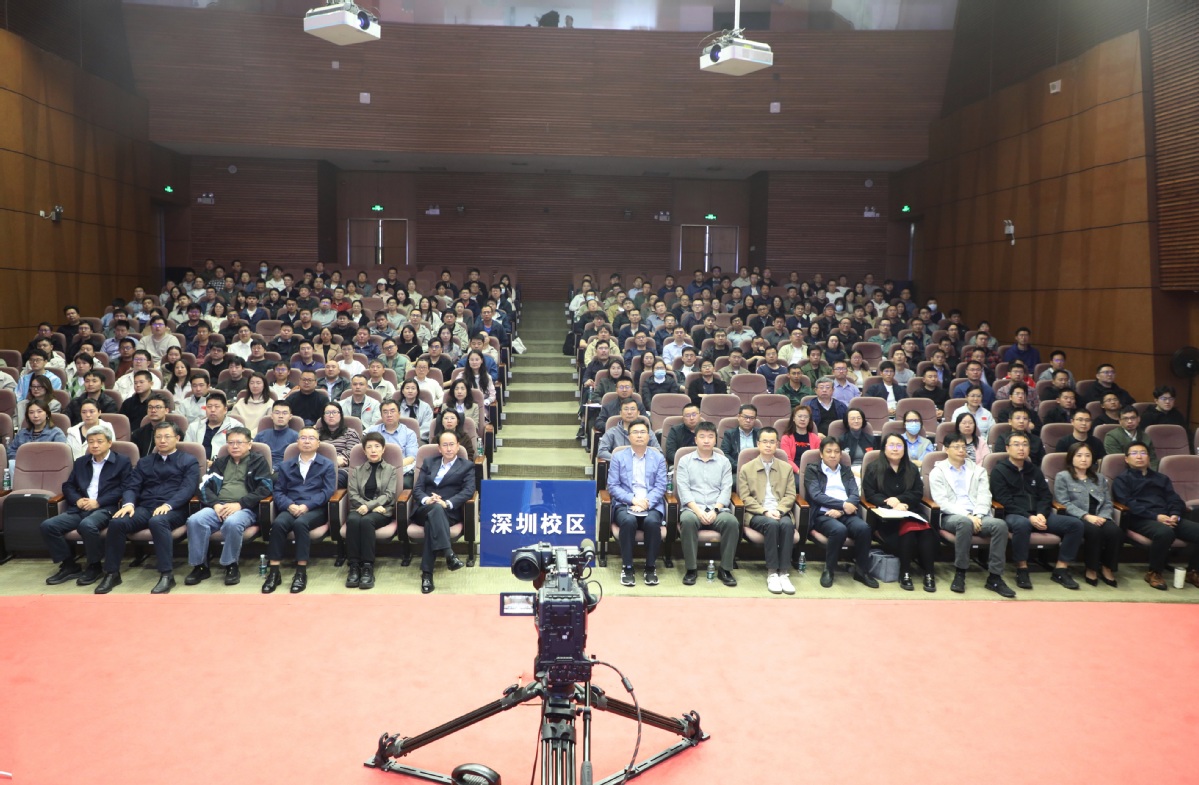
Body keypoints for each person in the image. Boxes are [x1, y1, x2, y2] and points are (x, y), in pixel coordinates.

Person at [95, 421, 200, 595]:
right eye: (158, 437)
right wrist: (129, 504)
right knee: (117, 522)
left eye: (167, 436)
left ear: (177, 438)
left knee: (158, 522)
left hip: (174, 508)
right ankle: (112, 573)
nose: (162, 440)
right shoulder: (145, 462)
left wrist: (168, 505)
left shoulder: (188, 461)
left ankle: (167, 574)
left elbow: (187, 489)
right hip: (146, 506)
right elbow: (131, 486)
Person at [38, 425, 133, 587]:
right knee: (48, 526)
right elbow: (68, 486)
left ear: (109, 443)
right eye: (91, 442)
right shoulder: (81, 462)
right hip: (80, 508)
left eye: (99, 441)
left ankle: (94, 566)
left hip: (106, 507)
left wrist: (99, 501)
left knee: (87, 525)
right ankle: (69, 565)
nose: (94, 445)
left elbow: (125, 487)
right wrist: (77, 500)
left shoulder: (122, 461)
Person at [989, 432, 1083, 590]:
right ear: (1007, 448)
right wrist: (1029, 517)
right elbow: (1004, 500)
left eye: (1025, 445)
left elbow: (1045, 496)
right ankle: (1022, 568)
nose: (1021, 448)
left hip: (1039, 514)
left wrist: (1040, 514)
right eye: (1016, 444)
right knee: (1022, 524)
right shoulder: (999, 471)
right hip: (1014, 514)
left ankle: (1061, 569)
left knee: (1075, 525)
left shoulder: (1034, 470)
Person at [184, 425, 272, 587]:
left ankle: (231, 565)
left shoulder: (258, 461)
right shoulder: (221, 462)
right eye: (231, 443)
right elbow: (203, 487)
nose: (235, 446)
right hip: (219, 506)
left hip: (245, 508)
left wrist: (240, 504)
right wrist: (216, 504)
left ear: (249, 444)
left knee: (232, 523)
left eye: (239, 442)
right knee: (194, 520)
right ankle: (200, 566)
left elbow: (265, 487)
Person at [927, 434, 1014, 597]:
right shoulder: (937, 472)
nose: (961, 450)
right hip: (951, 516)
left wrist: (978, 515)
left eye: (963, 447)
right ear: (946, 449)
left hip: (978, 515)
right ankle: (960, 572)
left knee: (1000, 525)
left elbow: (985, 496)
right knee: (964, 523)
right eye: (956, 447)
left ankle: (995, 577)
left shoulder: (978, 470)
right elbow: (942, 502)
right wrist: (968, 515)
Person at [1113, 440, 1199, 591]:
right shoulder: (1122, 480)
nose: (1139, 456)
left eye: (1143, 453)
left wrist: (1174, 515)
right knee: (1165, 532)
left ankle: (1193, 572)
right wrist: (1156, 517)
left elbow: (1174, 499)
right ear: (1126, 459)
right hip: (1141, 519)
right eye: (1134, 453)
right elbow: (1130, 505)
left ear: (1149, 457)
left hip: (1167, 517)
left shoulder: (1161, 478)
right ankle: (1154, 572)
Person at [261, 427, 336, 594]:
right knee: (278, 524)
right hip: (291, 506)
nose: (307, 441)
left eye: (311, 438)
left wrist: (307, 506)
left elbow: (328, 491)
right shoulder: (286, 465)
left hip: (315, 509)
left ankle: (301, 572)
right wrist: (289, 505)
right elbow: (278, 491)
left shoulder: (326, 465)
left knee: (301, 524)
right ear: (297, 442)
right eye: (303, 438)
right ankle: (274, 572)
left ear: (318, 443)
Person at [862, 433, 936, 591]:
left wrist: (900, 501)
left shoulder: (911, 468)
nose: (895, 449)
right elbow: (870, 494)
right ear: (884, 448)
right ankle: (905, 572)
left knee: (927, 531)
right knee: (908, 532)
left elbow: (917, 493)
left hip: (910, 512)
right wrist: (890, 503)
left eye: (899, 445)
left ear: (904, 449)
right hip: (887, 519)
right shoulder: (874, 468)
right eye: (891, 445)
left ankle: (929, 574)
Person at [674, 421, 738, 587]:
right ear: (695, 439)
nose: (706, 440)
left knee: (731, 522)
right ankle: (691, 569)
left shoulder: (724, 462)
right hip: (692, 509)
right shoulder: (685, 461)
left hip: (717, 509)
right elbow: (684, 490)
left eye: (710, 436)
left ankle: (725, 569)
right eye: (702, 436)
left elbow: (726, 490)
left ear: (715, 440)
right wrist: (698, 511)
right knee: (687, 520)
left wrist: (715, 510)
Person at [805, 440, 876, 589]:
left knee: (864, 528)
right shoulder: (812, 470)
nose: (833, 455)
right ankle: (829, 570)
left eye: (837, 452)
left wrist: (842, 510)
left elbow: (855, 494)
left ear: (841, 454)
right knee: (839, 530)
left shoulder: (846, 470)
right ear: (821, 454)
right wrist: (843, 505)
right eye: (829, 451)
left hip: (845, 513)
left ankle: (861, 571)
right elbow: (816, 495)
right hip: (823, 513)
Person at [735, 426, 797, 594]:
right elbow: (745, 497)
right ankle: (772, 572)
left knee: (787, 525)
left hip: (780, 511)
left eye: (772, 442)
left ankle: (784, 572)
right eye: (765, 441)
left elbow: (791, 495)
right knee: (772, 524)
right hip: (757, 513)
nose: (768, 445)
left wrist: (780, 510)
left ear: (777, 444)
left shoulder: (786, 468)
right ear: (758, 444)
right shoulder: (747, 468)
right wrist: (764, 511)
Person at [606, 418, 667, 588]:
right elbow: (613, 486)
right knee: (628, 521)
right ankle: (627, 567)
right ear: (628, 436)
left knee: (652, 522)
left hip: (651, 503)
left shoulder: (658, 458)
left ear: (649, 436)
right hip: (626, 503)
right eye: (635, 432)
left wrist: (646, 502)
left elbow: (661, 486)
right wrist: (633, 500)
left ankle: (650, 567)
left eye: (643, 432)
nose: (639, 436)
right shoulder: (618, 457)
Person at [412, 430, 474, 594]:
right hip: (425, 508)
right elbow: (417, 489)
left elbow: (468, 491)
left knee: (431, 524)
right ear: (439, 448)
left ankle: (427, 575)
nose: (448, 448)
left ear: (458, 446)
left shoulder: (466, 466)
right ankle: (449, 553)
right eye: (445, 445)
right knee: (434, 510)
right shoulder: (429, 462)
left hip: (448, 511)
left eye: (452, 444)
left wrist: (446, 503)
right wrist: (427, 499)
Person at [1053, 442, 1121, 588]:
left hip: (1100, 516)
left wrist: (1104, 517)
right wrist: (1086, 516)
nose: (1083, 459)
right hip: (1077, 518)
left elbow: (1107, 502)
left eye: (1087, 455)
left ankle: (1107, 568)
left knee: (1114, 531)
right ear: (1071, 458)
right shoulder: (1063, 477)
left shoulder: (1099, 478)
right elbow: (1064, 502)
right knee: (1094, 531)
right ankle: (1091, 568)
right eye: (1079, 455)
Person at [343, 432, 399, 590]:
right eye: (369, 447)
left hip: (382, 511)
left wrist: (370, 506)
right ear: (364, 451)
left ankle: (367, 566)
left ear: (383, 449)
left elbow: (389, 494)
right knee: (352, 520)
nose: (373, 450)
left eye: (377, 446)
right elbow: (353, 494)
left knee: (367, 521)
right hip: (359, 508)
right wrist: (367, 506)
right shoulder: (357, 470)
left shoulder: (391, 470)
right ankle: (354, 566)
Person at [366, 400, 419, 487]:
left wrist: (391, 469)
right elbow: (366, 451)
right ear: (381, 415)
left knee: (404, 484)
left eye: (392, 411)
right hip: (376, 469)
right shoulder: (372, 431)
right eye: (385, 412)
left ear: (399, 414)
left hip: (401, 470)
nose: (389, 415)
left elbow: (411, 457)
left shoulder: (409, 433)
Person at [184, 391, 238, 465]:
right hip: (196, 465)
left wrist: (216, 464)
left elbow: (238, 452)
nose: (212, 410)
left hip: (224, 466)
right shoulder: (194, 426)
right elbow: (186, 451)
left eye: (217, 407)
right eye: (209, 407)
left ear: (225, 410)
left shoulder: (235, 426)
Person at [318, 400, 361, 487]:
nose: (331, 415)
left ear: (340, 415)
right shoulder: (316, 434)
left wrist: (338, 462)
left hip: (343, 469)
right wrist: (333, 461)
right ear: (323, 416)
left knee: (331, 480)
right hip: (320, 467)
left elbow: (352, 454)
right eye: (327, 413)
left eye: (334, 412)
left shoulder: (351, 433)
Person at [254, 400, 299, 466]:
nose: (280, 416)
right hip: (263, 469)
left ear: (290, 416)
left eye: (285, 413)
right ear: (272, 416)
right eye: (277, 413)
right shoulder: (260, 436)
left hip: (286, 470)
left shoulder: (297, 437)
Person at [720, 403, 760, 468]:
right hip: (736, 469)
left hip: (756, 469)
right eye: (745, 417)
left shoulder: (760, 434)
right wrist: (738, 466)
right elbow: (724, 454)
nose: (748, 420)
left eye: (752, 418)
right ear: (738, 417)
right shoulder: (729, 434)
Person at [837, 407, 875, 473]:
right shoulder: (841, 440)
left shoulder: (871, 439)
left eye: (859, 418)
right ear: (847, 421)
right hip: (848, 472)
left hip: (869, 471)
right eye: (852, 419)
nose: (856, 421)